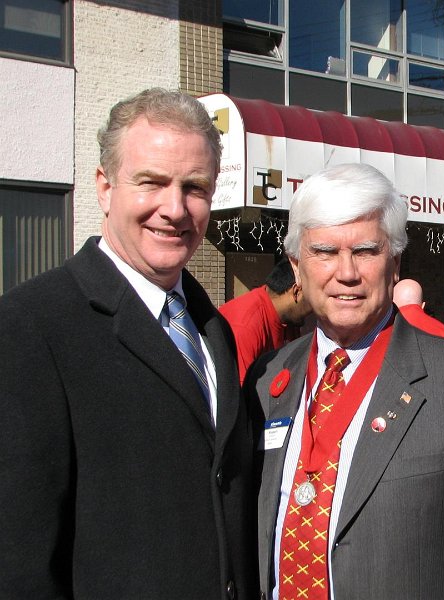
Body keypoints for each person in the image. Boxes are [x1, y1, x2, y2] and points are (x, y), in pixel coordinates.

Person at [0, 88, 256, 599]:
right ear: (104, 187)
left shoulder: (212, 328)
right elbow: (18, 553)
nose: (175, 208)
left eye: (195, 187)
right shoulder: (32, 325)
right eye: (152, 182)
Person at [246, 162, 444, 600]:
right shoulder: (266, 379)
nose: (346, 272)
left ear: (395, 263)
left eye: (365, 250)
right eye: (324, 252)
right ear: (296, 267)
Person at [220, 257, 313, 384]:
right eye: (312, 300)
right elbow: (240, 395)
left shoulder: (291, 319)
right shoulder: (245, 326)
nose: (315, 308)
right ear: (297, 291)